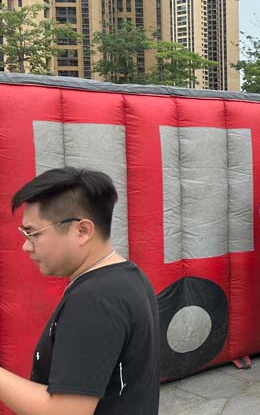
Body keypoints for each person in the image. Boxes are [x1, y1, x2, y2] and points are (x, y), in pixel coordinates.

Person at [5, 167, 159, 414]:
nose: (26, 246)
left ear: (82, 231)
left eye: (33, 233)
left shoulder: (95, 301)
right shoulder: (128, 277)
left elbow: (66, 411)